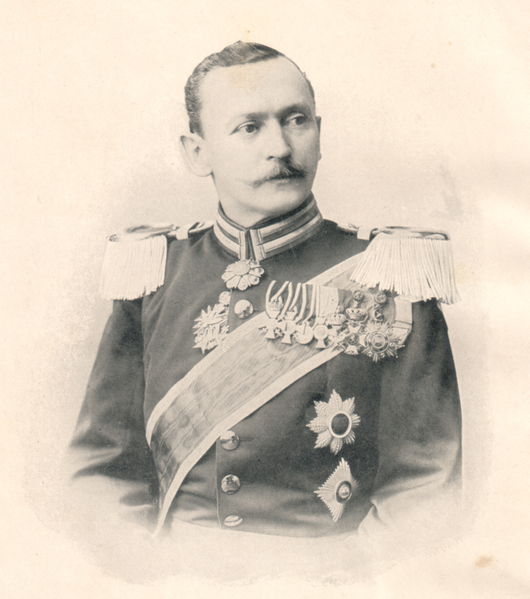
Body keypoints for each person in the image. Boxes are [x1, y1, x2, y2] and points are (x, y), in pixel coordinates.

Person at [68, 42, 461, 547]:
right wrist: (138, 564)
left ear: (320, 132)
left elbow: (425, 488)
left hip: (330, 573)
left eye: (296, 120)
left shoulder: (390, 271)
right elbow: (103, 468)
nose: (280, 146)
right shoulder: (153, 273)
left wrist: (355, 576)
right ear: (197, 153)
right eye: (249, 127)